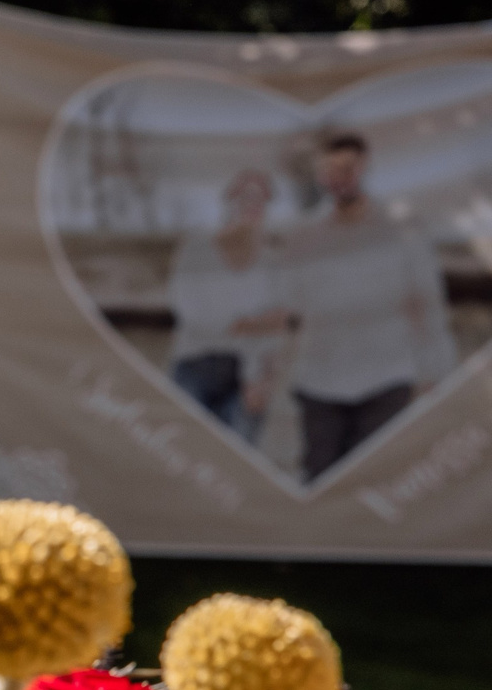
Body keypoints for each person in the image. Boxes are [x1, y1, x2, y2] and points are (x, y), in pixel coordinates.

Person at [281, 130, 457, 479]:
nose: (339, 178)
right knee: (319, 482)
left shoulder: (402, 228)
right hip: (319, 381)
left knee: (376, 482)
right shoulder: (302, 235)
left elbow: (427, 304)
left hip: (386, 378)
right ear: (320, 175)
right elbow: (288, 309)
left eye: (348, 168)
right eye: (330, 169)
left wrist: (437, 375)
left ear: (364, 168)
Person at [165, 167, 289, 446]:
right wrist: (248, 324)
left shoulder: (272, 263)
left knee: (237, 466)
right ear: (229, 200)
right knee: (186, 453)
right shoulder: (197, 251)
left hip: (249, 376)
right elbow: (190, 312)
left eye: (262, 198)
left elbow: (277, 327)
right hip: (195, 365)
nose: (253, 205)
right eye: (245, 196)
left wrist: (263, 379)